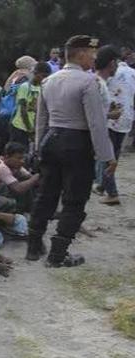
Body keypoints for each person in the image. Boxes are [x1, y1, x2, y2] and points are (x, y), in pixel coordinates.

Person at [28, 36, 115, 266]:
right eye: (91, 53)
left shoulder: (49, 81)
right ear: (81, 54)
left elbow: (41, 121)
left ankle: (33, 244)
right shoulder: (88, 83)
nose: (94, 58)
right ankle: (58, 254)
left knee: (46, 194)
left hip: (51, 140)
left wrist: (38, 148)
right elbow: (96, 123)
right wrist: (107, 156)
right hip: (77, 143)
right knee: (74, 199)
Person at [99, 47, 135, 206]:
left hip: (111, 119)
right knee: (114, 154)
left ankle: (112, 193)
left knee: (107, 156)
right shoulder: (132, 73)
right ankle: (102, 184)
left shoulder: (108, 75)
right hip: (126, 119)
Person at [9, 62, 51, 148]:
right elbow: (23, 110)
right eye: (43, 76)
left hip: (34, 128)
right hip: (20, 127)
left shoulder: (43, 88)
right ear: (36, 73)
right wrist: (30, 130)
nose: (44, 79)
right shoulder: (25, 87)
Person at [0, 142, 40, 213]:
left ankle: (33, 209)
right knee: (19, 184)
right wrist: (35, 178)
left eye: (23, 158)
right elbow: (18, 188)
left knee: (27, 181)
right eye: (19, 158)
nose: (22, 161)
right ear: (7, 157)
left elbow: (29, 178)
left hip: (3, 197)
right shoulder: (2, 167)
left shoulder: (15, 166)